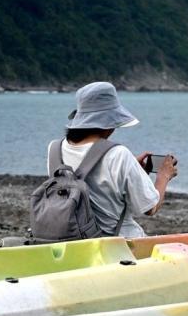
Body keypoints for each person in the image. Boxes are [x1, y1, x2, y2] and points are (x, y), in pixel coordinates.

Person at [47, 81, 178, 238]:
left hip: (73, 239)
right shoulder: (119, 155)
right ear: (108, 123)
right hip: (117, 244)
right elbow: (150, 208)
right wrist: (163, 176)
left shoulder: (54, 149)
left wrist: (132, 169)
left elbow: (92, 183)